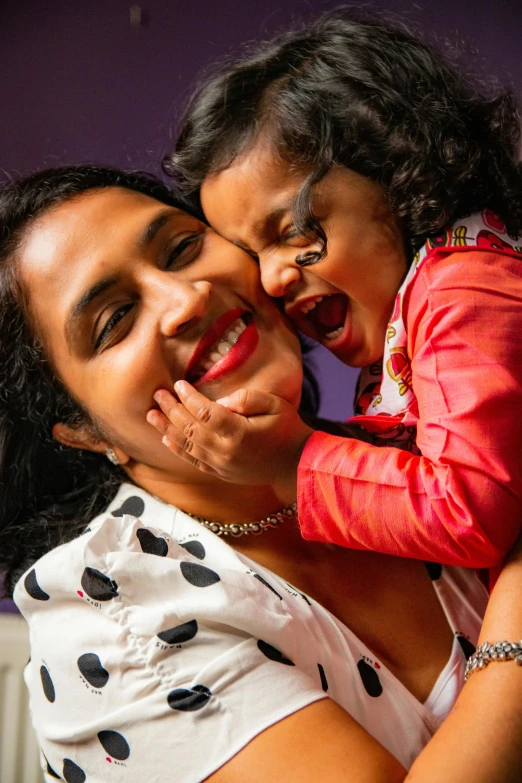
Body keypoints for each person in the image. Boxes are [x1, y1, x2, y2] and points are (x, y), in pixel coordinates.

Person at [0, 164, 520, 783]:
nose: (186, 298)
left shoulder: (426, 442)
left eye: (183, 248)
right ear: (81, 430)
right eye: (115, 320)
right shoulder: (110, 620)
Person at [162, 9, 522, 582]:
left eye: (293, 230)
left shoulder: (465, 287)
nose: (274, 279)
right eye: (253, 257)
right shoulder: (418, 306)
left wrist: (292, 458)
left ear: (398, 172)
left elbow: (468, 512)